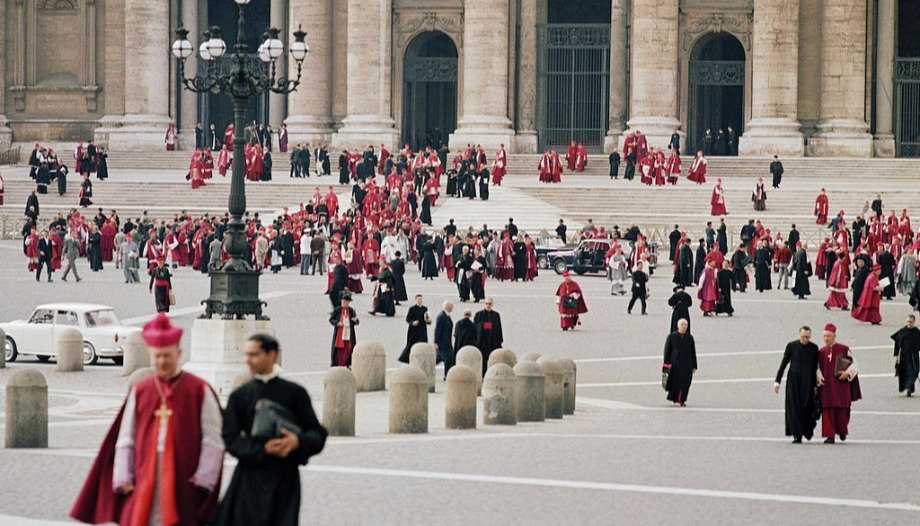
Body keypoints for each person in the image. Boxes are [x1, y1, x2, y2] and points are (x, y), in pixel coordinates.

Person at [70, 313, 223, 525]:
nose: (162, 361)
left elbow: (212, 440)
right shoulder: (141, 390)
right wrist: (123, 476)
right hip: (145, 472)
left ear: (178, 354)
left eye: (167, 356)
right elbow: (126, 435)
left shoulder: (199, 390)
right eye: (157, 356)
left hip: (184, 477)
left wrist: (204, 478)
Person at [215, 334, 327, 526]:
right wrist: (263, 449)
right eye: (246, 354)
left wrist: (297, 441)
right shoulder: (240, 396)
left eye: (254, 354)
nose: (247, 360)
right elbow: (230, 438)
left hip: (284, 479)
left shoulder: (295, 393)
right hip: (249, 479)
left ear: (271, 355)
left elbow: (317, 433)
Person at [774, 326, 819, 443]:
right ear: (799, 335)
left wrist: (815, 386)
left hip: (808, 382)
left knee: (806, 407)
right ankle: (796, 435)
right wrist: (777, 381)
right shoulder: (791, 346)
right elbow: (783, 364)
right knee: (793, 408)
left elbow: (815, 367)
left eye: (807, 337)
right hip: (793, 382)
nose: (805, 339)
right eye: (803, 337)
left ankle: (806, 431)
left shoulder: (814, 348)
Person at [816, 324, 861, 444]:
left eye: (828, 336)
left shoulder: (844, 349)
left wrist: (847, 373)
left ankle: (842, 430)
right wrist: (818, 376)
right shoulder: (821, 351)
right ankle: (829, 435)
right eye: (824, 336)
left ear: (834, 336)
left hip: (841, 385)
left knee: (842, 410)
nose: (826, 339)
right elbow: (817, 367)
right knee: (827, 410)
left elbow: (854, 364)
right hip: (826, 386)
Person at [662, 319, 697, 407]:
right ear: (678, 326)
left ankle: (682, 399)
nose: (684, 326)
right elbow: (667, 351)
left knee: (685, 383)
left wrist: (694, 365)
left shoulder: (689, 338)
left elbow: (693, 352)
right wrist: (666, 363)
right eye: (682, 325)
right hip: (675, 364)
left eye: (685, 325)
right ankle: (676, 398)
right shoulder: (671, 337)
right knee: (676, 382)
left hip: (687, 364)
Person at [473, 299, 503, 376]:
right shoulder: (479, 314)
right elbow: (475, 327)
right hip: (482, 340)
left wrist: (500, 340)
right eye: (487, 304)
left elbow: (499, 328)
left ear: (492, 305)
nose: (488, 305)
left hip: (492, 341)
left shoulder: (496, 315)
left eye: (490, 304)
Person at [892, 315, 920, 396]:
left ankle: (910, 387)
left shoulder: (917, 332)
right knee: (904, 372)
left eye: (911, 322)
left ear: (914, 322)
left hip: (914, 355)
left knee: (914, 371)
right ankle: (907, 387)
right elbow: (897, 343)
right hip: (904, 355)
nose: (909, 323)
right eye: (908, 321)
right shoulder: (902, 331)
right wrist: (897, 354)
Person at [398, 295, 431, 363]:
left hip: (422, 329)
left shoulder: (425, 308)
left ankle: (423, 359)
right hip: (413, 330)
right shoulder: (412, 309)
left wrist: (428, 321)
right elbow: (408, 318)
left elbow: (427, 318)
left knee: (423, 344)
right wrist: (412, 322)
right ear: (416, 300)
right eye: (418, 299)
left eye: (421, 299)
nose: (420, 301)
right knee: (411, 344)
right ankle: (406, 358)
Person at [329, 293, 359, 366]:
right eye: (343, 301)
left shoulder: (351, 311)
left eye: (346, 301)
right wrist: (337, 323)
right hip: (340, 332)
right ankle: (337, 362)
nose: (344, 303)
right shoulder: (337, 310)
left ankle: (347, 362)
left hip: (349, 331)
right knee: (339, 347)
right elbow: (331, 319)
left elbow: (357, 321)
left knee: (348, 347)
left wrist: (355, 320)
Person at [435, 301, 455, 378]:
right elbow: (438, 330)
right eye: (451, 306)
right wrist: (436, 342)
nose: (453, 308)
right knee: (448, 359)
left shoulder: (446, 316)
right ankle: (447, 375)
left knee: (442, 358)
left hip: (447, 342)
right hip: (443, 342)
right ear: (447, 307)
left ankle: (447, 374)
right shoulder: (441, 317)